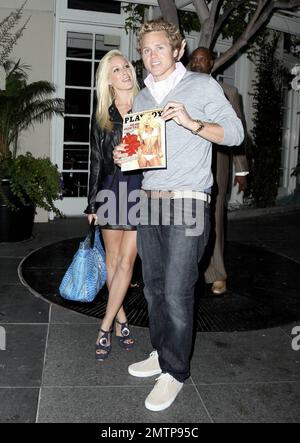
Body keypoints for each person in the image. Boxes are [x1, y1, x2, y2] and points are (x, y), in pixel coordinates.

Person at [114, 20, 244, 412]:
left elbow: (236, 133)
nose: (152, 57)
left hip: (188, 201)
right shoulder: (141, 99)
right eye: (146, 50)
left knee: (176, 290)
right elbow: (141, 153)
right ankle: (161, 351)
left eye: (159, 49)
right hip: (150, 200)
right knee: (153, 287)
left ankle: (175, 372)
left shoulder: (202, 87)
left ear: (178, 49)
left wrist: (192, 122)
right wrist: (125, 155)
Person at [85, 50, 142, 361]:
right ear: (108, 78)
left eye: (127, 67)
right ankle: (121, 319)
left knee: (126, 264)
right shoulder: (102, 117)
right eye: (117, 69)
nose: (125, 73)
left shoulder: (147, 107)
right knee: (111, 262)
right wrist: (91, 203)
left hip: (139, 190)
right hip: (110, 190)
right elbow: (96, 162)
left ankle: (104, 326)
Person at [190, 47, 249, 295]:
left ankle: (217, 274)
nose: (197, 64)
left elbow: (239, 133)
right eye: (194, 59)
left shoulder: (229, 93)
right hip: (186, 167)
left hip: (217, 165)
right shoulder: (179, 91)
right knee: (188, 220)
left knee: (214, 219)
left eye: (203, 60)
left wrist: (241, 170)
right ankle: (189, 271)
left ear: (212, 64)